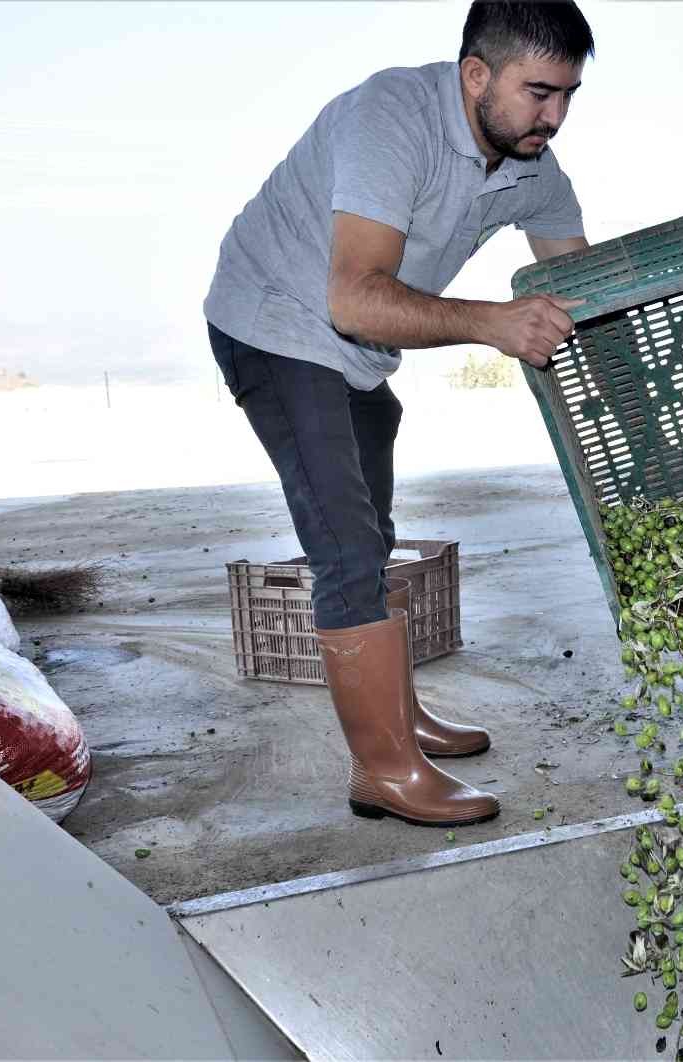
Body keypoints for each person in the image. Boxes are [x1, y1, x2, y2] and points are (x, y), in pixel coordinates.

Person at [203, 0, 594, 827]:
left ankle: (401, 720)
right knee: (345, 545)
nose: (554, 117)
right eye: (539, 93)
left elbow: (581, 282)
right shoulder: (392, 120)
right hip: (276, 319)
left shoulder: (533, 166)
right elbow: (355, 300)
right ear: (476, 74)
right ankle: (383, 771)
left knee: (373, 534)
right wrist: (493, 323)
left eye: (568, 96)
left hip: (354, 348)